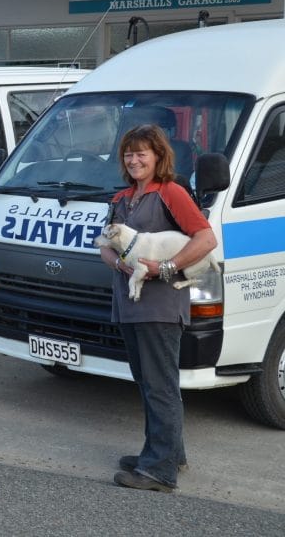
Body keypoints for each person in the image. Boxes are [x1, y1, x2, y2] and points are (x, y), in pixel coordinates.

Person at [100, 124, 217, 492]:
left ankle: (158, 472)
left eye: (141, 153)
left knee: (159, 386)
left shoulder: (172, 193)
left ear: (158, 157)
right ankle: (166, 453)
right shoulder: (121, 199)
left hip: (160, 307)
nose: (134, 160)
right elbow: (105, 246)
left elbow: (206, 238)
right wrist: (120, 264)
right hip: (130, 306)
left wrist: (166, 267)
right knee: (149, 383)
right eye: (128, 154)